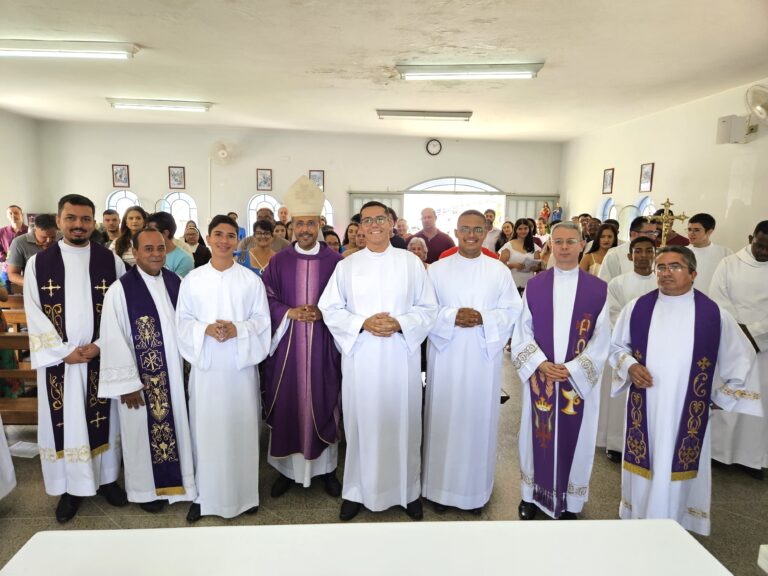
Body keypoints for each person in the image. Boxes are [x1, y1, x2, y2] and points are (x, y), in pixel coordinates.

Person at [609, 246, 759, 536]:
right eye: (661, 267)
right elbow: (616, 347)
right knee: (648, 462)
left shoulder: (713, 314)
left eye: (675, 267)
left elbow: (743, 358)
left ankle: (676, 524)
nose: (666, 273)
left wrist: (720, 398)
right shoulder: (637, 307)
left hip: (686, 410)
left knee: (677, 465)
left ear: (693, 273)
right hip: (647, 407)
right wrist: (628, 366)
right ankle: (639, 517)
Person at [318, 201, 438, 522]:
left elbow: (428, 308)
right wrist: (362, 323)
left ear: (391, 224)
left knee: (404, 422)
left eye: (379, 219)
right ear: (359, 227)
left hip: (401, 356)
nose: (373, 225)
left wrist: (400, 323)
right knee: (361, 423)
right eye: (367, 220)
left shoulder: (411, 263)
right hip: (362, 357)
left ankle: (407, 491)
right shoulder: (347, 266)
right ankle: (356, 490)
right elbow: (330, 309)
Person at [24, 194, 127, 523]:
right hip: (61, 363)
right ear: (59, 220)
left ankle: (108, 480)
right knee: (66, 424)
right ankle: (70, 489)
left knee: (104, 422)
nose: (78, 225)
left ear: (93, 222)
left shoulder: (111, 261)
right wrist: (63, 351)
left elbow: (119, 311)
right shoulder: (38, 264)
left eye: (85, 219)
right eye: (71, 218)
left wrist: (99, 345)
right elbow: (34, 312)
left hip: (100, 357)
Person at [422, 210, 522, 514]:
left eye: (477, 229)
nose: (470, 235)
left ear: (486, 231)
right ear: (455, 230)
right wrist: (452, 316)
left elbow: (512, 311)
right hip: (446, 356)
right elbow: (425, 310)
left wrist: (483, 318)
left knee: (478, 422)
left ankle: (474, 493)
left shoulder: (499, 271)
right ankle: (439, 491)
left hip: (482, 358)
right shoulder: (437, 270)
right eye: (465, 229)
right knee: (444, 418)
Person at [511, 221, 610, 520]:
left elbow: (603, 337)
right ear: (550, 245)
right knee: (534, 436)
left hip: (575, 383)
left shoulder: (599, 289)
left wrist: (573, 369)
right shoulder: (536, 285)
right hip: (541, 377)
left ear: (582, 245)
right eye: (558, 242)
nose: (564, 247)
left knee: (576, 439)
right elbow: (521, 331)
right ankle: (530, 496)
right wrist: (540, 363)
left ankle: (571, 502)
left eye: (571, 241)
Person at [176, 214, 271, 521]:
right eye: (218, 234)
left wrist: (237, 330)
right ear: (208, 237)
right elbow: (183, 321)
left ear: (237, 240)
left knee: (241, 427)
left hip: (238, 368)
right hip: (207, 368)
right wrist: (204, 329)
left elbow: (261, 321)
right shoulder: (193, 279)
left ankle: (245, 494)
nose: (224, 241)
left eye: (231, 235)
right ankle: (204, 496)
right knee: (206, 430)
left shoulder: (250, 280)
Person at [98, 228, 197, 512]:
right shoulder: (121, 290)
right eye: (149, 249)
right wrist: (127, 383)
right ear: (135, 251)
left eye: (160, 248)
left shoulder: (175, 281)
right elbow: (112, 337)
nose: (156, 254)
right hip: (143, 382)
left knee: (179, 427)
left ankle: (182, 485)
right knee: (141, 435)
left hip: (177, 377)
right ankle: (146, 492)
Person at [261, 176, 344, 498]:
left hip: (324, 347)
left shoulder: (337, 263)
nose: (306, 229)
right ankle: (285, 470)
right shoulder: (278, 262)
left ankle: (326, 471)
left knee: (325, 401)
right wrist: (288, 312)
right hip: (287, 350)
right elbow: (265, 299)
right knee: (287, 404)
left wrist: (326, 313)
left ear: (320, 223)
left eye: (311, 223)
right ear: (292, 224)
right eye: (300, 223)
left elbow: (346, 304)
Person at [709, 221, 768, 478]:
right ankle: (717, 453)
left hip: (763, 347)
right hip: (732, 343)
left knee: (758, 401)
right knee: (728, 395)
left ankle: (751, 458)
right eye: (760, 245)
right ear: (750, 237)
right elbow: (718, 298)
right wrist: (740, 333)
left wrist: (755, 333)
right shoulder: (729, 264)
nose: (764, 251)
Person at [597, 237, 657, 462]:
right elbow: (613, 315)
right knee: (621, 397)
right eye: (638, 251)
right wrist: (635, 341)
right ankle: (615, 442)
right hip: (625, 347)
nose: (643, 256)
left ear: (654, 254)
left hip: (655, 349)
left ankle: (648, 441)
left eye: (648, 251)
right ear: (630, 256)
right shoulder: (618, 283)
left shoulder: (662, 282)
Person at [598, 216, 658, 284]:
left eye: (655, 233)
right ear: (634, 234)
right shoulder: (615, 254)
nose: (653, 237)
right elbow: (604, 283)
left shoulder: (657, 253)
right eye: (649, 233)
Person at [6, 213, 58, 288]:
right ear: (35, 229)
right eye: (43, 237)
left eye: (53, 237)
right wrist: (32, 283)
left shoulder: (62, 239)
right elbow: (12, 274)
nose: (48, 240)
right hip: (33, 289)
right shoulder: (19, 243)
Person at [686, 213, 732, 295]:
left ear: (709, 232)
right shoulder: (681, 252)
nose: (691, 233)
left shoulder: (725, 253)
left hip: (714, 300)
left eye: (696, 230)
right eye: (689, 229)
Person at [146, 212, 193, 278]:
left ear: (165, 233)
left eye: (152, 231)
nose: (147, 235)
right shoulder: (146, 254)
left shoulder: (184, 259)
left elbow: (175, 286)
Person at [499, 218, 541, 291]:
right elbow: (500, 266)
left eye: (525, 228)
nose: (523, 231)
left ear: (529, 229)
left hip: (529, 284)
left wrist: (535, 268)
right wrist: (513, 265)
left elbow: (539, 266)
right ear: (516, 230)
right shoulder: (508, 246)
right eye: (520, 229)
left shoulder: (535, 247)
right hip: (512, 284)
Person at [0, 205, 28, 287]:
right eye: (10, 213)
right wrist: (3, 256)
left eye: (16, 213)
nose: (13, 215)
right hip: (8, 268)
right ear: (7, 216)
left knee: (28, 293)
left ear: (21, 214)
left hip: (26, 268)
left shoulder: (30, 231)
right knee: (6, 296)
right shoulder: (1, 232)